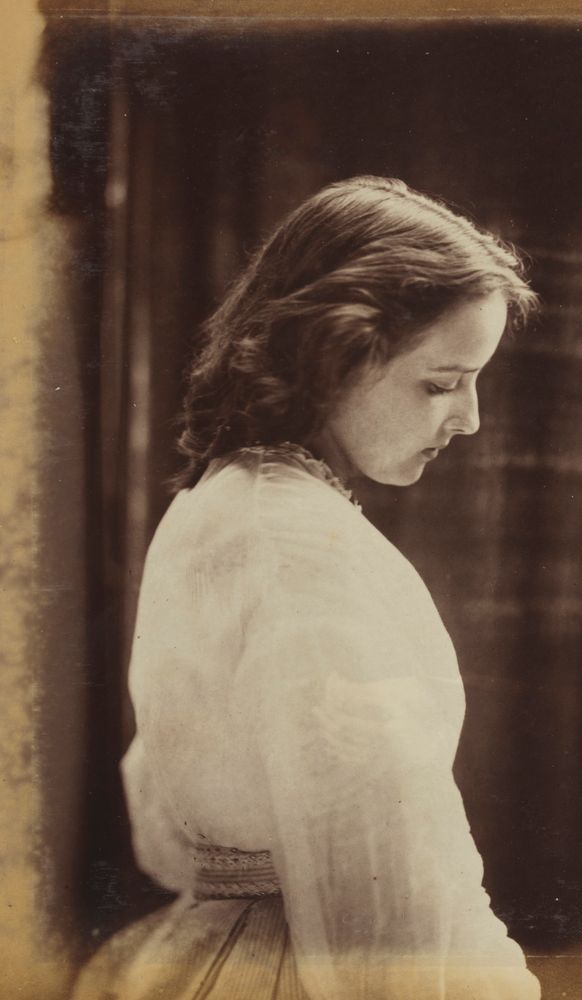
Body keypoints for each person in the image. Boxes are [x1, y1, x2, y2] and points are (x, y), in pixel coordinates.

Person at [72, 176, 542, 1000]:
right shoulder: (298, 547)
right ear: (335, 355)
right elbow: (390, 909)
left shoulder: (222, 501)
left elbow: (165, 828)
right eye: (441, 382)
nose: (470, 418)